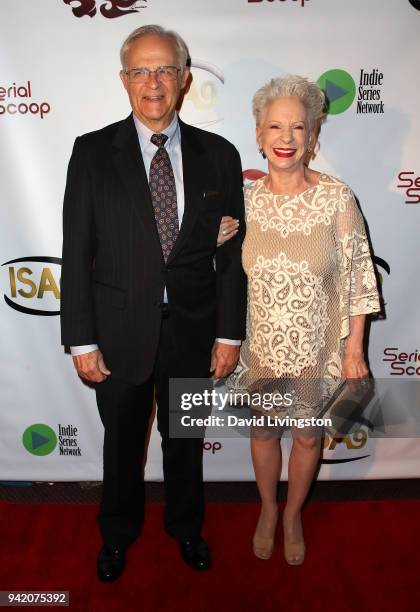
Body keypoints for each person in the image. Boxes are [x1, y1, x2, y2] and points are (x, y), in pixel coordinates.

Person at [60, 24, 246, 581]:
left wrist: (229, 333)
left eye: (165, 69)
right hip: (117, 335)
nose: (154, 82)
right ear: (124, 81)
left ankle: (186, 529)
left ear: (185, 78)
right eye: (141, 71)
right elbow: (76, 253)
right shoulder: (92, 153)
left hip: (193, 332)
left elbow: (231, 257)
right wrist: (82, 338)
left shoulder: (220, 155)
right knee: (121, 447)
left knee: (185, 444)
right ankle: (116, 536)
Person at [223, 75, 380, 565]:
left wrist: (355, 350)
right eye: (275, 126)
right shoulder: (243, 201)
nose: (286, 138)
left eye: (298, 128)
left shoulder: (337, 198)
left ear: (313, 137)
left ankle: (293, 514)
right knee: (265, 432)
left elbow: (359, 275)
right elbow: (220, 275)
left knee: (309, 435)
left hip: (317, 350)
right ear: (258, 134)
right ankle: (268, 509)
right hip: (262, 349)